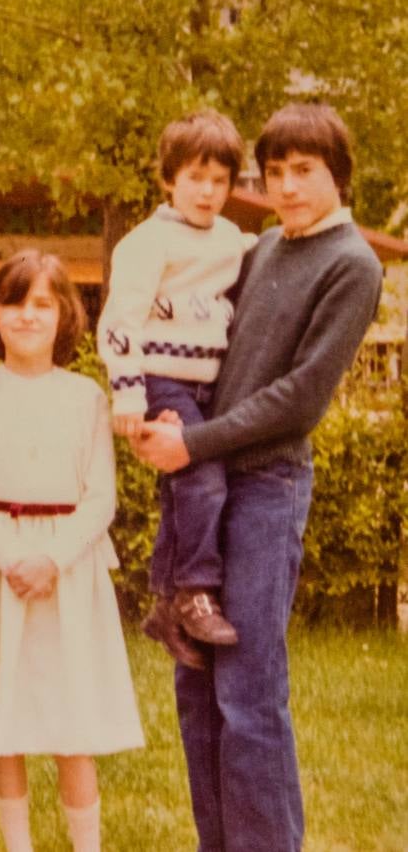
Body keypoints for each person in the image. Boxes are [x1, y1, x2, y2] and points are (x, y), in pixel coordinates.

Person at [135, 103, 383, 852]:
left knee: (247, 692)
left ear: (337, 175)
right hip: (201, 483)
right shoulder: (265, 245)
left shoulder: (353, 264)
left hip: (266, 488)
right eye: (274, 172)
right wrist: (162, 412)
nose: (287, 187)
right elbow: (201, 343)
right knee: (196, 686)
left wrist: (196, 441)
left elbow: (301, 398)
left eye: (303, 171)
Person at [0, 250, 142, 852]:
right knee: (5, 715)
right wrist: (10, 556)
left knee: (71, 720)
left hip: (65, 571)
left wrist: (52, 558)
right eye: (14, 303)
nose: (26, 317)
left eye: (42, 304)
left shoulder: (87, 398)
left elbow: (100, 498)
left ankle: (85, 844)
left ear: (65, 315)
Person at [96, 110, 257, 667]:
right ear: (169, 179)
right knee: (204, 483)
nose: (208, 192)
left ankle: (163, 604)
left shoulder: (233, 240)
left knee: (183, 490)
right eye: (195, 178)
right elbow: (120, 319)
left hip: (207, 383)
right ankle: (194, 591)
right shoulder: (148, 242)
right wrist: (129, 391)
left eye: (220, 181)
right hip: (161, 378)